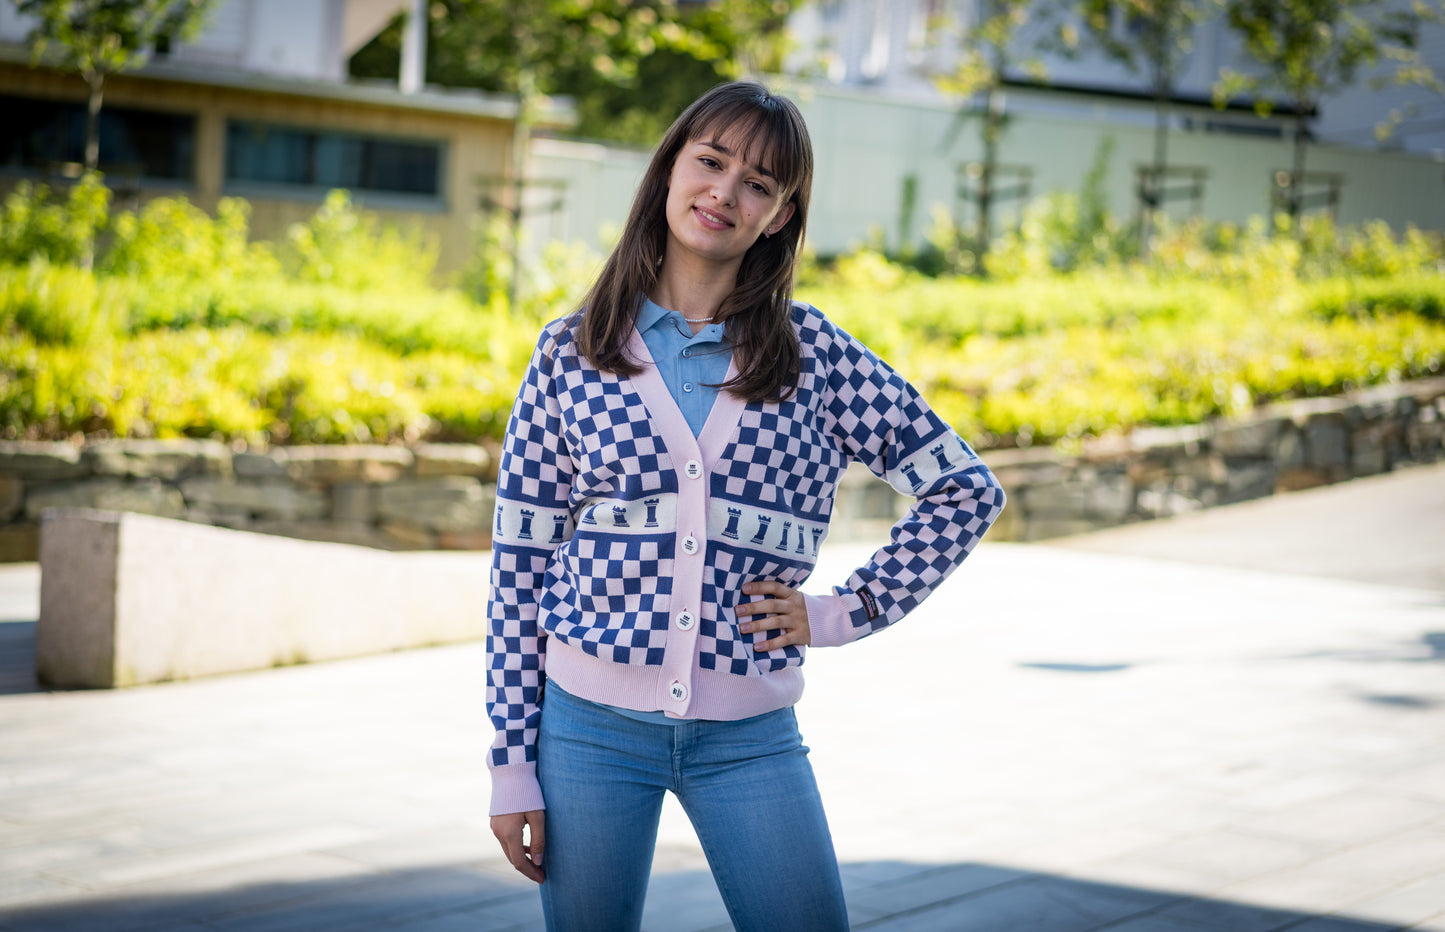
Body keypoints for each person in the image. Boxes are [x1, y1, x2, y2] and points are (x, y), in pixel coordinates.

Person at [486, 80, 1006, 931]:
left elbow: (962, 488)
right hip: (585, 734)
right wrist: (512, 764)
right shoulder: (568, 354)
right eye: (710, 161)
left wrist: (843, 610)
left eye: (758, 183)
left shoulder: (817, 360)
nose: (725, 193)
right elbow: (518, 572)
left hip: (748, 738)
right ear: (668, 171)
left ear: (779, 215)